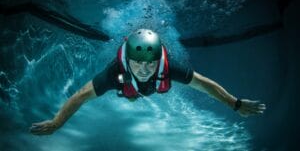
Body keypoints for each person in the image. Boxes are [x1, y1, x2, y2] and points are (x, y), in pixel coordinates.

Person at [30, 29, 266, 135]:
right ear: (128, 60)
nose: (144, 70)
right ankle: (132, 95)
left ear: (158, 60)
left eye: (150, 64)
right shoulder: (115, 73)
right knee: (130, 93)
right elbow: (81, 95)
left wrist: (234, 103)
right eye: (138, 63)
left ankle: (137, 93)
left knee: (155, 88)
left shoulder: (169, 67)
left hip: (156, 86)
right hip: (127, 85)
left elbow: (204, 84)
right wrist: (57, 122)